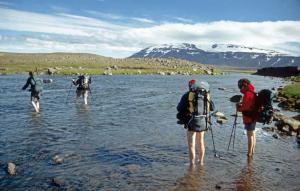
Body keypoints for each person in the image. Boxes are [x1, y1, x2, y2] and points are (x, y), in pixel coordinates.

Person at [177, 80, 214, 166]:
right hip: (203, 121)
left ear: (190, 86)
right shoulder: (206, 95)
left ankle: (192, 164)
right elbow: (212, 107)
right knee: (201, 142)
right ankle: (201, 162)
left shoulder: (187, 95)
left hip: (191, 121)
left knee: (191, 144)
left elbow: (179, 108)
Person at [236, 78, 256, 157]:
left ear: (244, 85)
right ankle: (252, 151)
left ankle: (249, 153)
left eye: (241, 86)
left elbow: (245, 107)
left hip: (249, 117)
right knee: (253, 133)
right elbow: (248, 104)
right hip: (253, 116)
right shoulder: (252, 91)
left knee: (249, 135)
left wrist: (238, 108)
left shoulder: (247, 93)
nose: (240, 88)